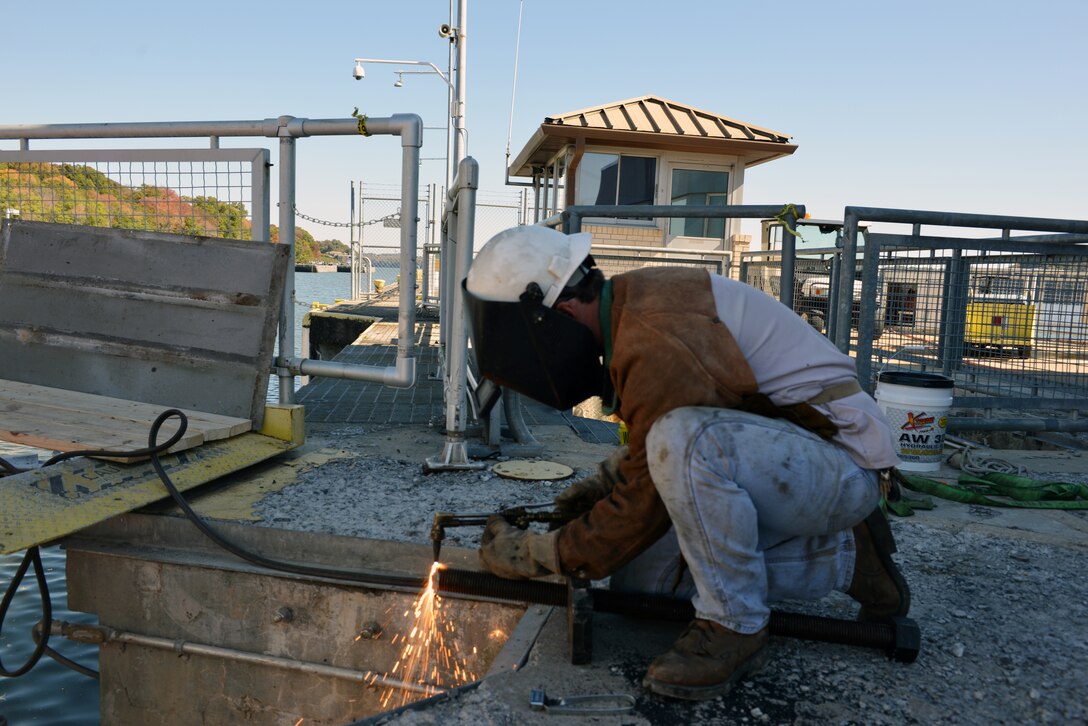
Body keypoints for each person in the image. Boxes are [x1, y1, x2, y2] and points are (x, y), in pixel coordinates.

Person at [463, 225, 910, 701]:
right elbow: (663, 444)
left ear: (561, 314)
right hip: (790, 459)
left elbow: (666, 466)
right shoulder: (632, 311)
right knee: (643, 590)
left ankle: (735, 626)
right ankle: (845, 560)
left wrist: (546, 553)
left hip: (841, 467)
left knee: (683, 438)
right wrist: (603, 486)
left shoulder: (653, 335)